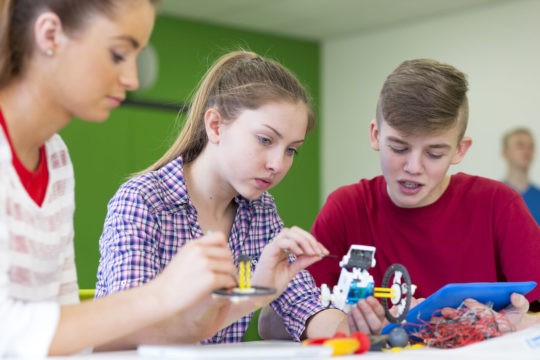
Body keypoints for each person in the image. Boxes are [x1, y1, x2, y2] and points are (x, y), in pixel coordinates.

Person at [0, 0, 242, 356]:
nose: (132, 79)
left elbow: (63, 326)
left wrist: (191, 323)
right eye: (118, 54)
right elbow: (10, 333)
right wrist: (160, 295)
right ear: (50, 34)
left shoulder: (56, 158)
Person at [95, 50, 350, 347]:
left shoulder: (260, 210)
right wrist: (255, 293)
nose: (278, 164)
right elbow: (131, 331)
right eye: (265, 140)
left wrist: (361, 325)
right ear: (215, 126)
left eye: (291, 149)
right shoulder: (142, 201)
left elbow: (303, 305)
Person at [305, 58, 540, 335]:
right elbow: (284, 317)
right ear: (376, 135)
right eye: (399, 147)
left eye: (434, 153)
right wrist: (344, 324)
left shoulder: (498, 205)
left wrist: (512, 323)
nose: (413, 168)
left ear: (459, 150)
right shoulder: (346, 208)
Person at [502, 127, 540, 224]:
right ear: (505, 152)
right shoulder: (493, 196)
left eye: (530, 146)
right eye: (520, 146)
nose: (526, 151)